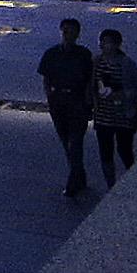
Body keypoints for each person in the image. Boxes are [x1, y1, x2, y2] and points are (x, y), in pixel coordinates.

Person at [38, 18, 94, 197]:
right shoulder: (51, 54)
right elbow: (46, 78)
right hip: (59, 103)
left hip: (77, 102)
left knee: (74, 143)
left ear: (77, 34)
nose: (67, 35)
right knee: (67, 142)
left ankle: (73, 182)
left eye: (71, 32)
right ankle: (79, 175)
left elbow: (90, 80)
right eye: (65, 31)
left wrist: (88, 102)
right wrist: (50, 97)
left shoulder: (84, 55)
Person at [91, 28, 137, 188]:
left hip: (124, 116)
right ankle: (111, 185)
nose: (104, 46)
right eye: (103, 42)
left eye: (108, 42)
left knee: (125, 150)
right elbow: (91, 84)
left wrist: (120, 95)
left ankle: (131, 182)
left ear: (117, 44)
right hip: (103, 116)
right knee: (105, 153)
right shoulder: (96, 62)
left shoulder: (127, 64)